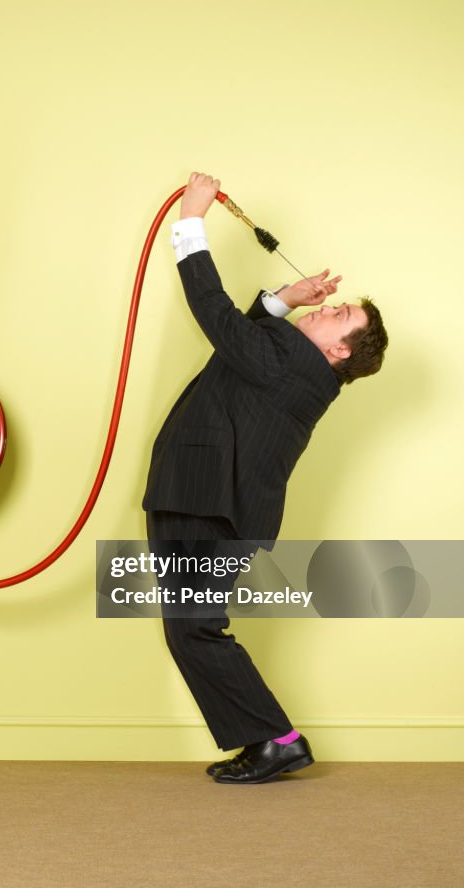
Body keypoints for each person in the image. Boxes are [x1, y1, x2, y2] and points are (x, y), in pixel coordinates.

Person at [143, 172, 388, 784]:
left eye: (339, 315)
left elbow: (218, 319)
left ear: (338, 351)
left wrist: (191, 222)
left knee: (194, 629)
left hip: (208, 503)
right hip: (210, 502)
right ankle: (271, 740)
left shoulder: (290, 366)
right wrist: (285, 299)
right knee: (193, 629)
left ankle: (279, 739)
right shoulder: (294, 368)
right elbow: (244, 345)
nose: (329, 306)